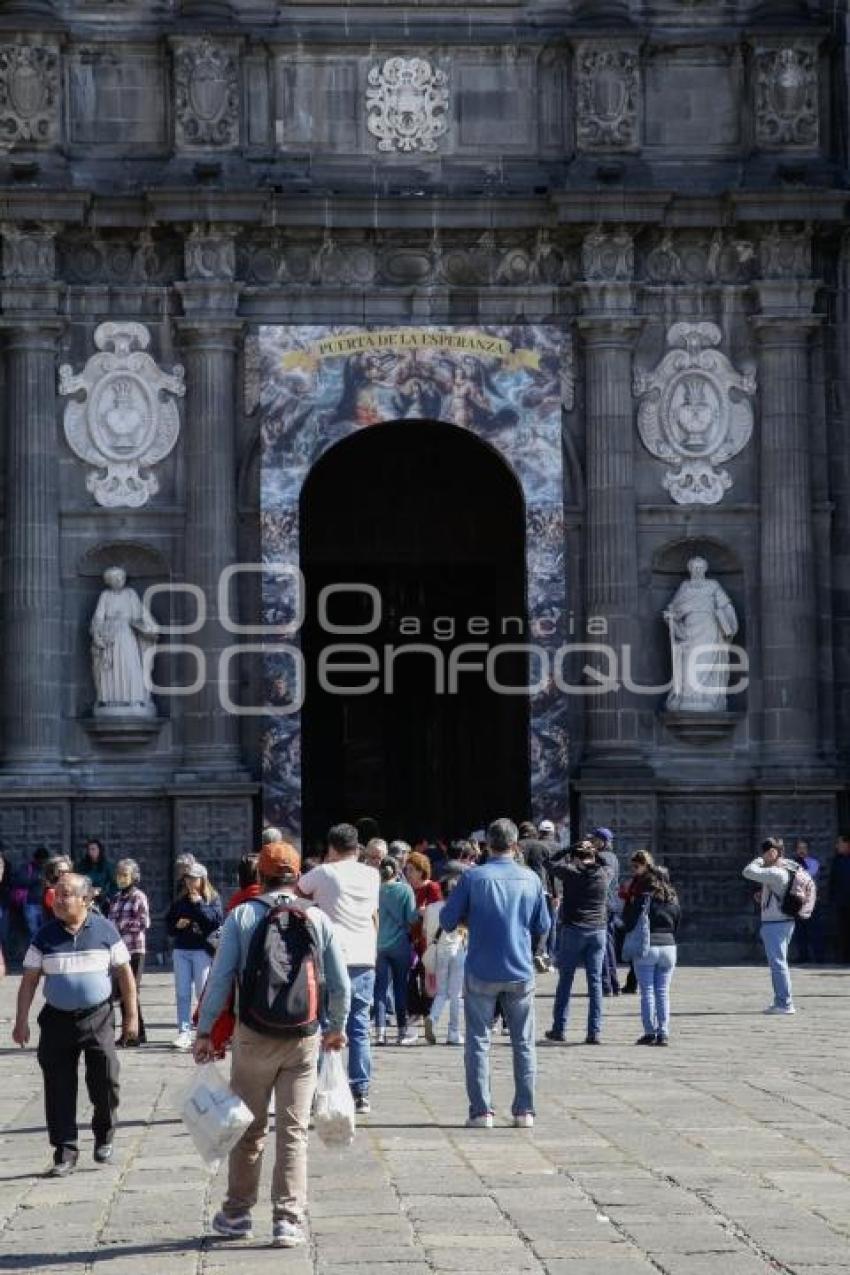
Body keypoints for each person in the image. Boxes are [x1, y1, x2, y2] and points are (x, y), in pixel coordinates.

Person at [194, 839, 350, 1249]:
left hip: (254, 1035)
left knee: (250, 1127)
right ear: (298, 877)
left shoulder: (242, 915)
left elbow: (220, 980)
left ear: (259, 876)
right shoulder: (317, 918)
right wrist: (336, 1026)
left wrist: (206, 1031)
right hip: (304, 1036)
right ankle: (287, 1220)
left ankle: (237, 1213)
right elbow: (341, 983)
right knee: (294, 1130)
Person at [13, 873, 138, 1177]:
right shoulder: (44, 936)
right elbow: (29, 980)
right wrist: (21, 1021)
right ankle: (65, 1151)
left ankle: (104, 1134)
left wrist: (131, 1018)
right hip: (56, 1019)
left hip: (98, 1017)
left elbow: (125, 976)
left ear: (85, 899)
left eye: (66, 894)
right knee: (58, 1087)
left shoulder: (106, 931)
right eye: (56, 894)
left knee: (106, 1077)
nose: (58, 899)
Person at [440, 818, 549, 1129]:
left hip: (481, 969)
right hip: (519, 969)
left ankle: (481, 1111)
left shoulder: (473, 878)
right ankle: (524, 1111)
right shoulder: (530, 879)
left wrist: (469, 917)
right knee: (524, 1041)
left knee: (478, 1041)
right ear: (515, 846)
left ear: (487, 845)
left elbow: (448, 919)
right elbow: (543, 925)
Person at [298, 822, 380, 1114]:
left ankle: (323, 1087)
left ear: (331, 848)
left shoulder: (324, 872)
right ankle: (360, 1092)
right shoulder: (373, 875)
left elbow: (297, 892)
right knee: (359, 1026)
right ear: (357, 847)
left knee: (322, 1023)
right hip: (365, 957)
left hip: (331, 958)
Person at [545, 841, 611, 1045]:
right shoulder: (604, 874)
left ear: (575, 857)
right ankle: (594, 1032)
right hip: (598, 930)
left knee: (566, 981)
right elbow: (605, 862)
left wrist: (570, 847)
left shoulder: (570, 872)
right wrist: (594, 851)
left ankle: (559, 1029)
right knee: (595, 982)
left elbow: (549, 862)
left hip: (573, 929)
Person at [166, 863, 223, 1050]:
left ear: (202, 879)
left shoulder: (212, 898)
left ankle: (205, 1029)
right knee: (182, 992)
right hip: (181, 948)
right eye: (187, 878)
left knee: (202, 992)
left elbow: (215, 922)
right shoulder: (181, 899)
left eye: (193, 878)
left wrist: (199, 903)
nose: (189, 882)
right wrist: (177, 926)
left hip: (201, 949)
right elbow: (169, 924)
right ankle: (184, 1031)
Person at [623, 866, 681, 1045]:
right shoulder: (673, 900)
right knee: (663, 992)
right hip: (669, 946)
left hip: (648, 947)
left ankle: (649, 1032)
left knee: (647, 992)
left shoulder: (643, 899)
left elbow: (629, 920)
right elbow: (677, 924)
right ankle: (663, 1032)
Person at [743, 838, 798, 1015]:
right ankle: (781, 1001)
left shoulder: (776, 871)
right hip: (782, 921)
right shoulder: (788, 867)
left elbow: (748, 872)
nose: (764, 856)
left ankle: (784, 1003)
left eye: (766, 852)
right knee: (779, 963)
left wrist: (759, 860)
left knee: (778, 964)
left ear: (774, 852)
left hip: (776, 923)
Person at [374, 858, 417, 1046]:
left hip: (378, 944)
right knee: (400, 988)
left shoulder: (374, 890)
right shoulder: (405, 890)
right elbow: (412, 918)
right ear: (397, 871)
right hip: (400, 944)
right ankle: (401, 1032)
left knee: (380, 990)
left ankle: (380, 1033)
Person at [108, 859, 150, 1045]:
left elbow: (144, 922)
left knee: (131, 992)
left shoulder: (138, 896)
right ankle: (129, 1032)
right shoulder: (116, 898)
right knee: (121, 993)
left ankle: (134, 1033)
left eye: (125, 875)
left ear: (133, 876)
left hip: (134, 949)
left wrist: (119, 925)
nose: (121, 879)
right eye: (119, 875)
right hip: (118, 952)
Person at [423, 868, 467, 1046]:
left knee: (441, 992)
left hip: (439, 950)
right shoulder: (459, 909)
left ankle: (433, 1017)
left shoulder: (431, 908)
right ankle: (453, 1033)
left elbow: (426, 932)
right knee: (456, 994)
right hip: (457, 951)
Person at [518, 821, 555, 973]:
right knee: (544, 923)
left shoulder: (516, 846)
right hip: (541, 889)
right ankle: (540, 952)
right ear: (535, 833)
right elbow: (551, 872)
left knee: (522, 923)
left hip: (519, 890)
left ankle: (524, 955)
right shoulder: (542, 847)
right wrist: (555, 893)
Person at [589, 827, 621, 996]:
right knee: (608, 944)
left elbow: (601, 883)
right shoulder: (614, 857)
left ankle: (606, 985)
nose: (592, 842)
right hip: (612, 904)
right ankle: (614, 984)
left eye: (594, 840)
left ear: (601, 841)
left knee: (601, 946)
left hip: (602, 906)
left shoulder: (600, 857)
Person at [618, 850, 655, 993]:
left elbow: (642, 899)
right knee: (636, 954)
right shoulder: (638, 879)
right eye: (632, 866)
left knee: (639, 953)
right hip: (632, 916)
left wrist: (632, 897)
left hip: (641, 920)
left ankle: (633, 984)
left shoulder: (649, 879)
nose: (633, 869)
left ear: (645, 865)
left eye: (636, 866)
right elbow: (630, 894)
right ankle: (632, 984)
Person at [791, 838, 824, 964]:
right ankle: (803, 956)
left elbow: (808, 875)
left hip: (812, 901)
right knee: (800, 930)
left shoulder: (813, 862)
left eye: (804, 848)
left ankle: (819, 956)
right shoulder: (792, 863)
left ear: (808, 850)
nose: (801, 851)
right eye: (799, 848)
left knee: (815, 929)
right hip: (798, 900)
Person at [13, 847, 50, 941]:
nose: (42, 862)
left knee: (45, 930)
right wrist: (37, 879)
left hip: (45, 905)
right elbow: (19, 881)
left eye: (44, 860)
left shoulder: (48, 869)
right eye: (41, 860)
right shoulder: (28, 868)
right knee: (33, 931)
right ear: (36, 859)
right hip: (30, 904)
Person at [75, 839, 117, 912]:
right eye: (89, 850)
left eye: (93, 849)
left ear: (99, 850)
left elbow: (114, 885)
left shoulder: (107, 866)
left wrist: (105, 894)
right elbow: (77, 880)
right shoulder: (82, 865)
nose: (91, 852)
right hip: (86, 899)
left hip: (102, 900)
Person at [829, 834, 850, 964]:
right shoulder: (837, 860)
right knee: (843, 930)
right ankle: (844, 956)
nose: (837, 846)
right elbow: (833, 881)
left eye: (840, 843)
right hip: (842, 902)